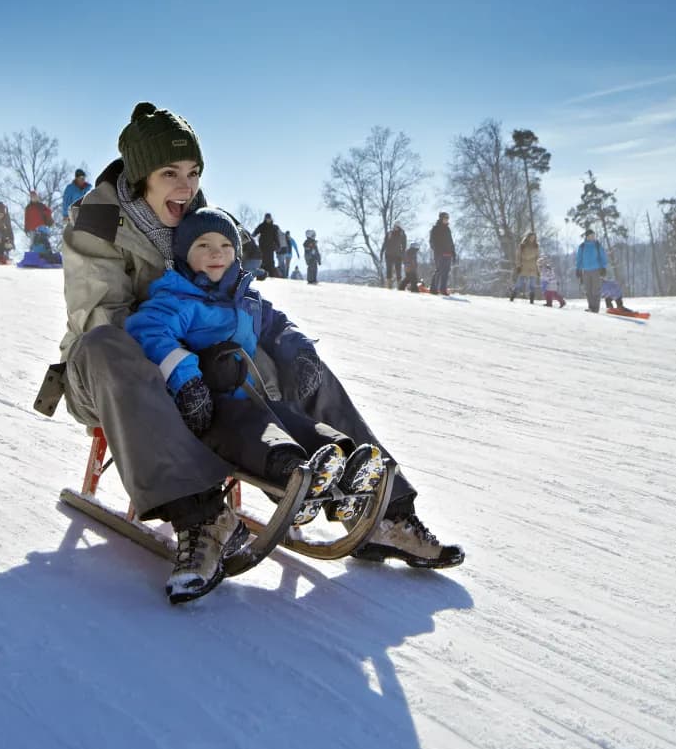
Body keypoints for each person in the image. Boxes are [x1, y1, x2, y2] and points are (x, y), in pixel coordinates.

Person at [55, 101, 462, 603]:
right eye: (170, 173)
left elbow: (240, 296)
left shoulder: (195, 216)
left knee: (288, 354)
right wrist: (185, 359)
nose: (186, 186)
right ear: (141, 178)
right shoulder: (97, 220)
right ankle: (203, 517)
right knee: (107, 343)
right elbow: (100, 315)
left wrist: (284, 348)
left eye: (194, 172)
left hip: (200, 364)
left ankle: (383, 510)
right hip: (109, 375)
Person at [124, 208, 386, 533]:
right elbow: (149, 332)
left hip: (256, 396)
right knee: (260, 434)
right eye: (203, 245)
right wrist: (187, 380)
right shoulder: (177, 299)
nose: (216, 253)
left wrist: (301, 352)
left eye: (225, 245)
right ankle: (294, 478)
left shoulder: (245, 299)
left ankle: (346, 465)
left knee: (296, 422)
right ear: (183, 255)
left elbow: (278, 326)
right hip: (210, 408)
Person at [574, 227, 608, 312]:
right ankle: (591, 307)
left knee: (595, 290)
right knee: (588, 290)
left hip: (596, 270)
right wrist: (578, 269)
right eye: (591, 235)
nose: (593, 237)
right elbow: (579, 259)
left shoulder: (597, 245)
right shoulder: (582, 246)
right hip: (585, 271)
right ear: (587, 236)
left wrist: (604, 267)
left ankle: (595, 308)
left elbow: (603, 256)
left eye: (594, 235)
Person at [509, 231, 541, 304]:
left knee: (532, 284)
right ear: (528, 237)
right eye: (531, 237)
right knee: (519, 283)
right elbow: (518, 256)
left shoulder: (536, 246)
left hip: (533, 266)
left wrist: (539, 269)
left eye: (534, 237)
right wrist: (518, 266)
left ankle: (532, 299)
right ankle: (513, 295)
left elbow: (538, 258)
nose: (532, 239)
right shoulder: (522, 245)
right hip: (524, 265)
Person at [429, 212, 456, 296]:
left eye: (447, 218)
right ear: (441, 219)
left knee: (446, 272)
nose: (446, 220)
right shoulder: (435, 228)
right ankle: (433, 288)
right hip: (439, 253)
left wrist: (453, 252)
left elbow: (451, 242)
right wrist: (437, 250)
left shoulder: (448, 229)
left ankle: (443, 289)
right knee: (439, 270)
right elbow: (432, 241)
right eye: (445, 218)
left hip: (448, 253)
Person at [252, 212, 282, 278]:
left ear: (271, 219)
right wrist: (251, 236)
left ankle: (271, 275)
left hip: (270, 247)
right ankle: (261, 275)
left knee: (270, 261)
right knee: (262, 260)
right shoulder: (262, 226)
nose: (268, 220)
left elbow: (276, 237)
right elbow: (255, 232)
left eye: (269, 218)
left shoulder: (273, 227)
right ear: (265, 219)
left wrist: (278, 245)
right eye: (267, 218)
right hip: (262, 246)